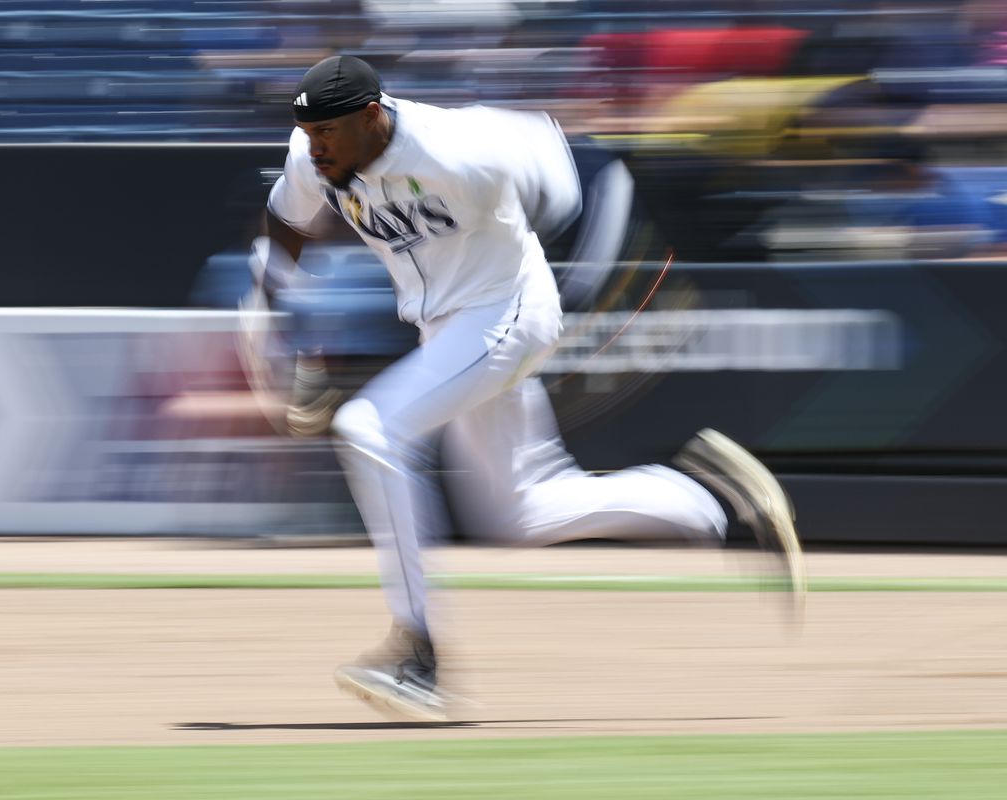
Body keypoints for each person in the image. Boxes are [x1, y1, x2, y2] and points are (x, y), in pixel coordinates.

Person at [254, 55, 805, 722]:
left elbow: (597, 171)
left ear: (372, 116)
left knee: (370, 428)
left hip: (507, 313)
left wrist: (585, 284)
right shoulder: (316, 154)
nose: (316, 147)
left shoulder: (463, 144)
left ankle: (417, 656)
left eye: (329, 133)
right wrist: (277, 312)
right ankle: (712, 501)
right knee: (522, 513)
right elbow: (287, 220)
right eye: (308, 133)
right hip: (444, 328)